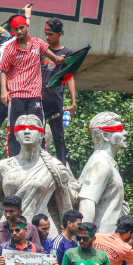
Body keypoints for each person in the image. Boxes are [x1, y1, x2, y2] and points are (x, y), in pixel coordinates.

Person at [0, 8, 66, 157]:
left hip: (35, 95)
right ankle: (13, 161)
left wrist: (60, 59)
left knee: (38, 129)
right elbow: (3, 70)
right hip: (16, 95)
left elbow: (54, 58)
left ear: (27, 27)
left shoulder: (37, 43)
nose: (19, 31)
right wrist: (4, 90)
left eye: (22, 27)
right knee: (15, 130)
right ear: (13, 31)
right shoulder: (10, 49)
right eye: (16, 29)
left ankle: (40, 160)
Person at [41, 18, 76, 166]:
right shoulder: (42, 50)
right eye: (46, 34)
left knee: (58, 137)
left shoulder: (67, 53)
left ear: (59, 34)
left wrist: (74, 102)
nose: (47, 37)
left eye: (51, 34)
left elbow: (70, 77)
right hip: (39, 97)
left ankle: (63, 169)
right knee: (38, 134)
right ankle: (39, 164)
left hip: (55, 99)